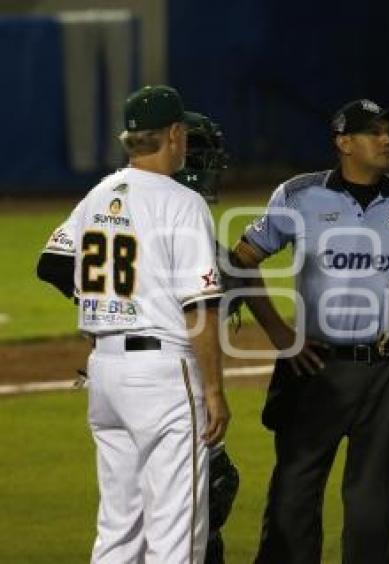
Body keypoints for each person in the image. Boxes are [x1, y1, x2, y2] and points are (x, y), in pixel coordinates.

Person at [36, 85, 229, 563]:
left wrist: (106, 301)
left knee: (119, 530)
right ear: (175, 134)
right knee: (175, 534)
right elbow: (199, 307)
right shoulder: (182, 202)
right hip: (162, 377)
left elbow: (53, 262)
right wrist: (214, 391)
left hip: (105, 374)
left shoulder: (100, 192)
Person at [230, 99, 389, 563]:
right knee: (293, 494)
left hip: (385, 369)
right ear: (343, 142)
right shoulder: (299, 195)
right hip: (314, 366)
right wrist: (279, 334)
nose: (387, 139)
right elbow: (241, 260)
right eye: (374, 131)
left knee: (374, 505)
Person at [173, 110, 240, 564]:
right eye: (201, 151)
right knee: (205, 495)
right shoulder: (182, 210)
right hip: (175, 379)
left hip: (133, 373)